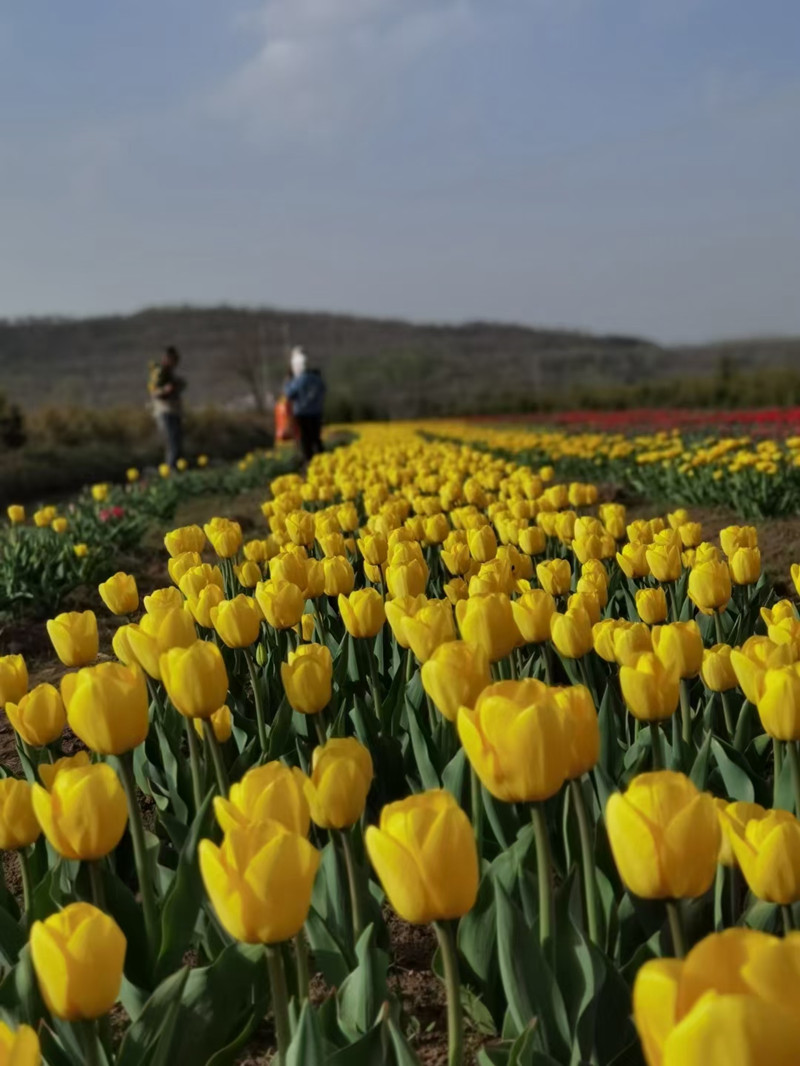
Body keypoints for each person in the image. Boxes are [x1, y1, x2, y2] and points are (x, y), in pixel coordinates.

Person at [284, 347, 325, 465]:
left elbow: (289, 394)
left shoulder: (299, 380)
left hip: (301, 412)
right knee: (316, 437)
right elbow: (323, 391)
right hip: (317, 411)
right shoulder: (317, 379)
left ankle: (310, 461)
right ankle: (322, 460)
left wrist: (288, 382)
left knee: (305, 438)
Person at [149, 346, 185, 468]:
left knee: (177, 443)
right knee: (172, 444)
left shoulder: (171, 374)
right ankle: (170, 471)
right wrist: (165, 390)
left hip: (174, 411)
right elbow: (154, 392)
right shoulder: (159, 373)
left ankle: (175, 469)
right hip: (165, 411)